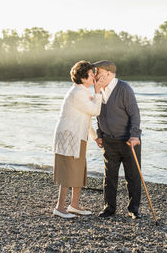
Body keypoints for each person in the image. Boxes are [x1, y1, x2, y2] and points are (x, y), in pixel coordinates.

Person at [52, 60, 106, 218]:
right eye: (91, 74)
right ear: (83, 78)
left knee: (78, 169)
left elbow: (86, 118)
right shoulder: (78, 93)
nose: (94, 77)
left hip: (78, 136)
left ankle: (74, 205)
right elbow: (95, 111)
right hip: (70, 137)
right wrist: (97, 91)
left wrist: (95, 138)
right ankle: (60, 207)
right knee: (68, 170)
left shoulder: (82, 92)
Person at [93, 60, 142, 220]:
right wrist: (99, 134)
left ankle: (133, 209)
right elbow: (98, 114)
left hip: (128, 141)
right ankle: (109, 208)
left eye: (98, 72)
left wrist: (135, 134)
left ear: (108, 73)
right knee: (110, 176)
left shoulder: (124, 88)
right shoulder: (98, 91)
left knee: (133, 176)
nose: (95, 75)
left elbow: (134, 113)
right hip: (109, 141)